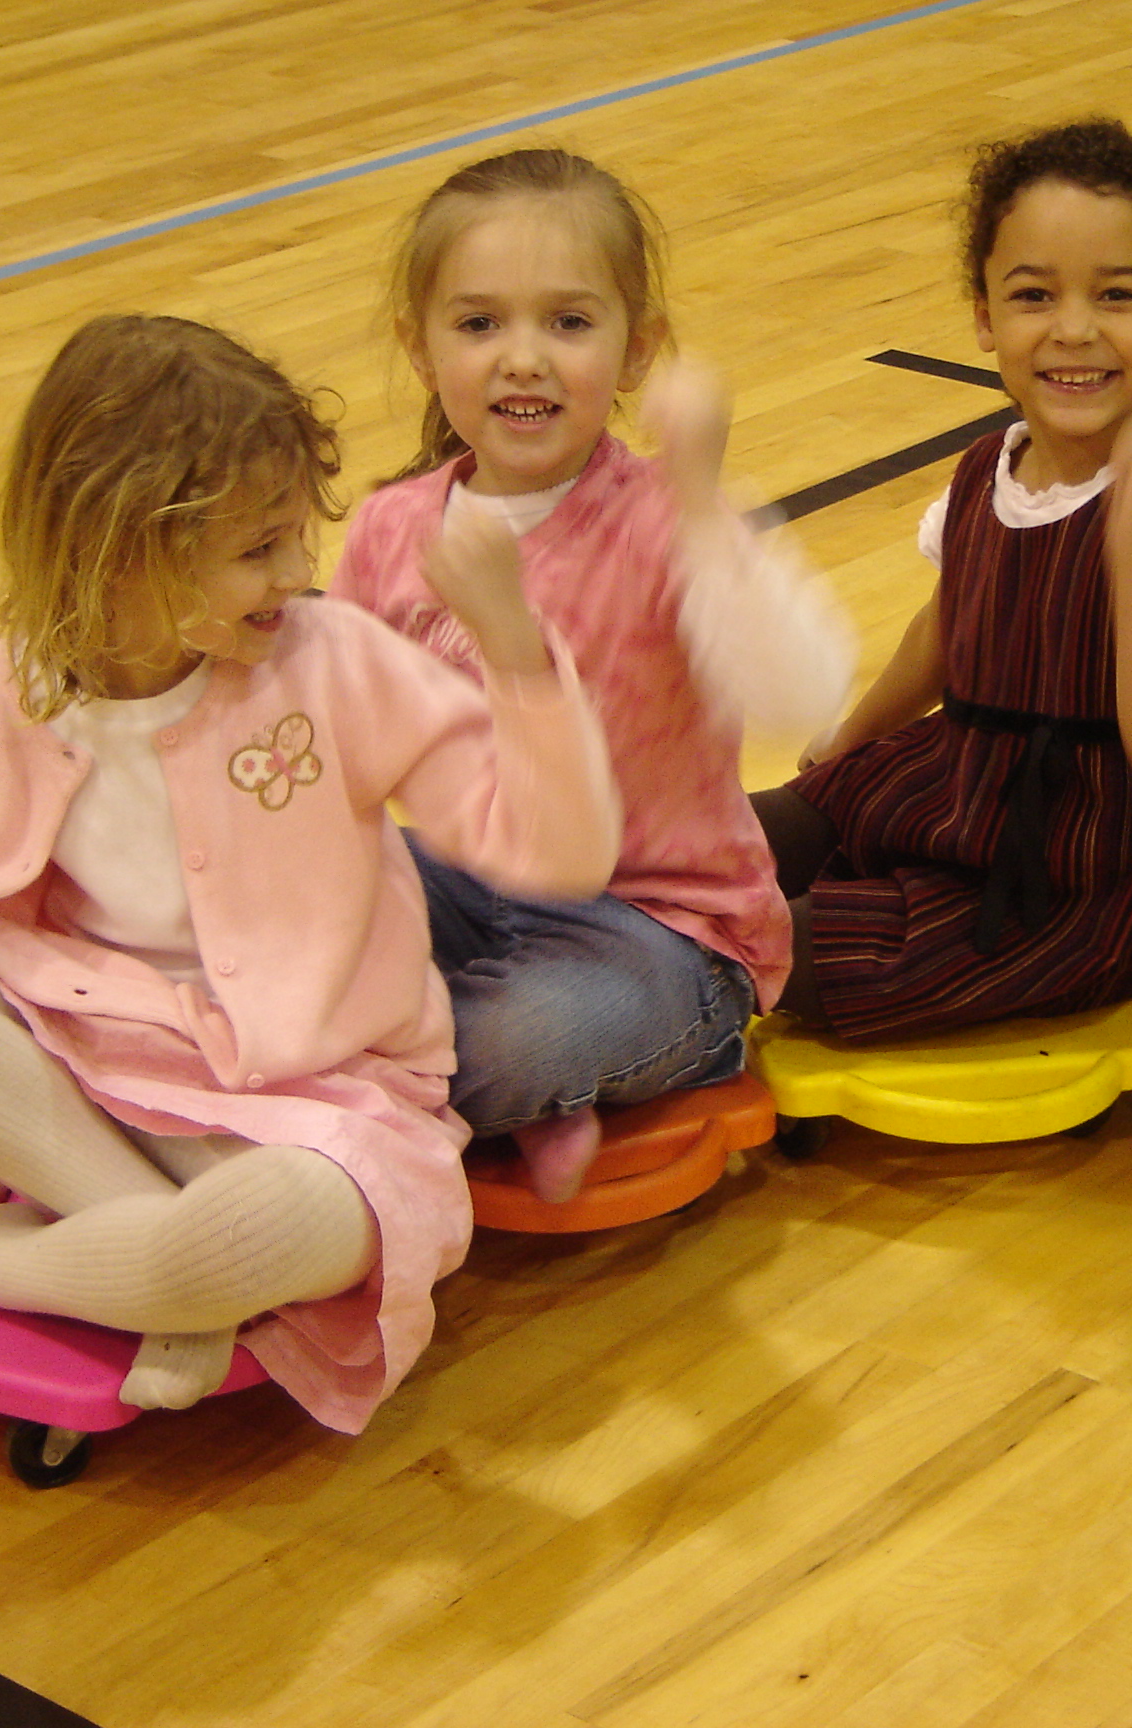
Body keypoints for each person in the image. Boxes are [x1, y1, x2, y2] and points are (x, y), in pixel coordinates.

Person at [0, 315, 621, 1431]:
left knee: (269, 1230)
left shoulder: (330, 663)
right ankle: (154, 1267)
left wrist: (521, 662)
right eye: (257, 549)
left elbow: (560, 852)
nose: (298, 572)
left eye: (297, 537)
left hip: (322, 1111)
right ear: (118, 548)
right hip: (81, 1077)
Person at [333, 147, 852, 1201]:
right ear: (419, 345)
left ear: (636, 348)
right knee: (283, 918)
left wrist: (706, 506)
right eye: (479, 325)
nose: (523, 359)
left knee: (522, 1038)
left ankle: (485, 1081)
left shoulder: (667, 518)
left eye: (568, 323)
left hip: (664, 936)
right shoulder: (393, 530)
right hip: (475, 888)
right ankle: (492, 1099)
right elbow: (342, 746)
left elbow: (806, 692)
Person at [748, 116, 1132, 1040]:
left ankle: (623, 1009)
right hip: (959, 782)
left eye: (1117, 295)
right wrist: (855, 736)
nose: (1074, 330)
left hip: (1083, 873)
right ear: (986, 317)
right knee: (722, 842)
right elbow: (950, 627)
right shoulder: (990, 465)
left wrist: (1128, 557)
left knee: (777, 945)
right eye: (1034, 296)